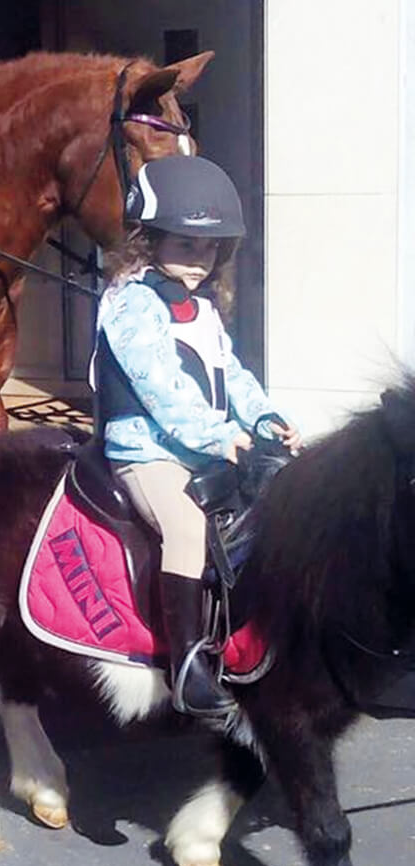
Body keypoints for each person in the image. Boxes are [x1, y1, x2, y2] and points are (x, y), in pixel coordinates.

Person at [93, 155, 302, 719]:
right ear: (149, 241)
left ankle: (247, 633)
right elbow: (159, 385)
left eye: (208, 249)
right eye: (185, 245)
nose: (198, 260)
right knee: (186, 528)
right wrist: (219, 435)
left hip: (201, 445)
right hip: (147, 451)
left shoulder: (202, 309)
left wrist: (263, 419)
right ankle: (186, 666)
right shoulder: (131, 303)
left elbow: (230, 375)